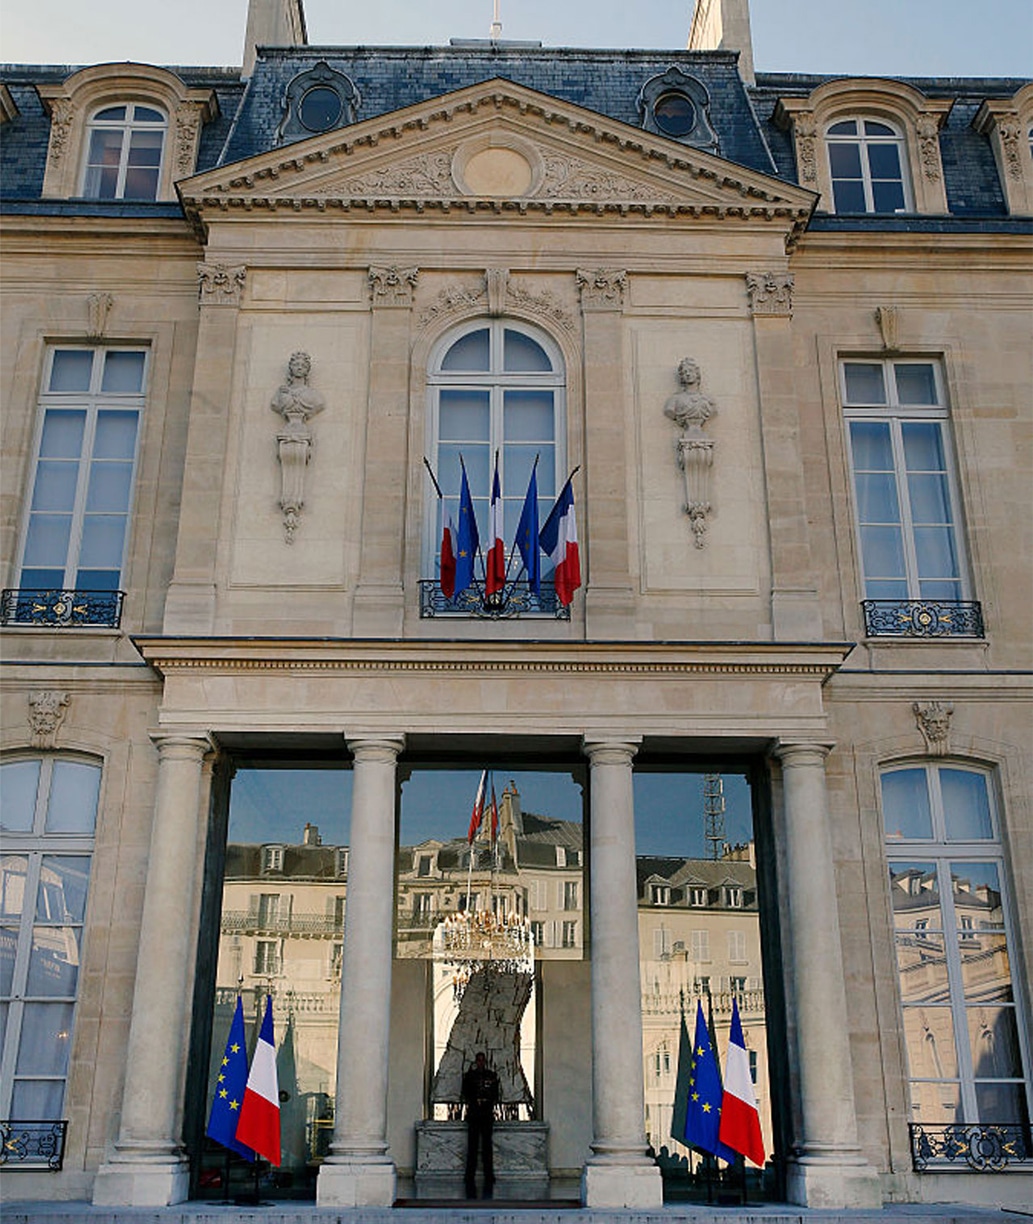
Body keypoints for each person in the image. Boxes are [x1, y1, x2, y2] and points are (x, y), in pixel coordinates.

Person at [461, 1051, 499, 1199]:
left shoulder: (492, 1076)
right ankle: (469, 1175)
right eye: (479, 1060)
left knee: (487, 1147)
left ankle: (489, 1175)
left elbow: (495, 1094)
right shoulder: (470, 1077)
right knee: (472, 1146)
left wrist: (486, 1101)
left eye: (483, 1060)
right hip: (474, 1114)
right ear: (476, 1062)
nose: (481, 1063)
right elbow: (466, 1093)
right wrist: (475, 1101)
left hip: (486, 1114)